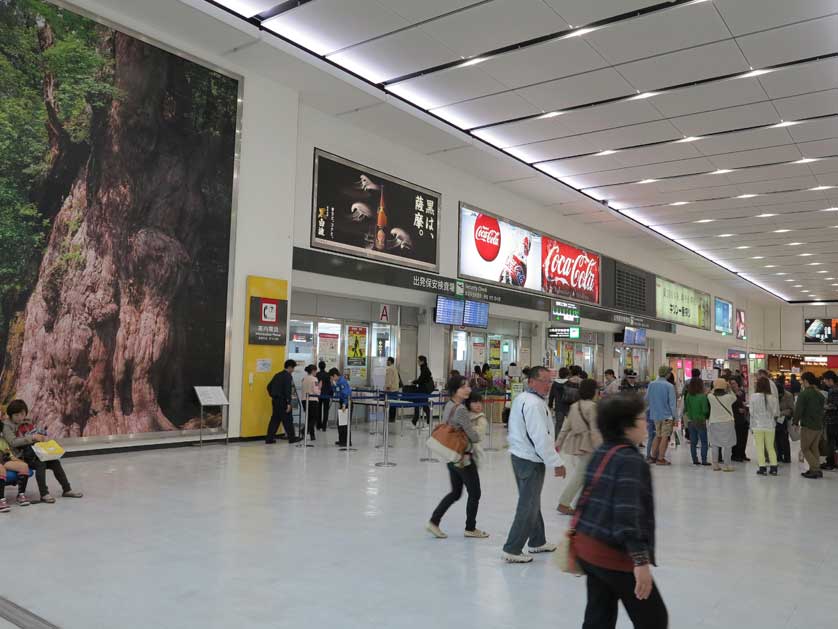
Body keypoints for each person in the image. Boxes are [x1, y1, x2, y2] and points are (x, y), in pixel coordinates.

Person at [573, 394, 668, 629]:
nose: (646, 422)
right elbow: (627, 515)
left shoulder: (602, 451)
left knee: (599, 616)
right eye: (641, 418)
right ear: (626, 425)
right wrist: (640, 562)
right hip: (613, 554)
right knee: (654, 620)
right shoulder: (630, 461)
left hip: (588, 547)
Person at [502, 366, 566, 563]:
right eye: (544, 381)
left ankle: (537, 541)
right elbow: (539, 437)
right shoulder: (533, 404)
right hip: (529, 459)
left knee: (531, 500)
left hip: (521, 456)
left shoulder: (525, 399)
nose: (548, 385)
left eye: (549, 381)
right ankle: (512, 549)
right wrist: (556, 461)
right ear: (531, 381)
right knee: (528, 505)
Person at [426, 377, 488, 540]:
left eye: (468, 386)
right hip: (463, 458)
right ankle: (470, 528)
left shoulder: (449, 405)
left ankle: (434, 521)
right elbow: (474, 437)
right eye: (464, 387)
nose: (468, 389)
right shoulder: (460, 409)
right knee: (475, 493)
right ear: (455, 391)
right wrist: (478, 426)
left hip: (450, 455)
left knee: (455, 492)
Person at [3, 400, 83, 503]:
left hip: (33, 453)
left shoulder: (26, 422)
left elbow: (33, 434)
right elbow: (13, 442)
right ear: (11, 415)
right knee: (40, 464)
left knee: (55, 462)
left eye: (22, 414)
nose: (20, 417)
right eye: (16, 415)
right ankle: (44, 494)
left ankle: (67, 489)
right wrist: (32, 437)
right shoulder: (7, 426)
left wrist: (40, 437)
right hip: (18, 457)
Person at [555, 378, 601, 515]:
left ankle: (586, 503)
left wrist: (558, 444)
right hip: (589, 445)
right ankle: (564, 502)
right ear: (593, 391)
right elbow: (595, 430)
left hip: (577, 444)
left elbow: (565, 428)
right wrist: (602, 448)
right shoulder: (593, 407)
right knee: (581, 475)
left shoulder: (575, 406)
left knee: (586, 475)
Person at [794, 371, 825, 479]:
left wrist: (795, 422)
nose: (801, 383)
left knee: (805, 448)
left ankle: (815, 468)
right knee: (814, 448)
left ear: (806, 381)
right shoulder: (819, 394)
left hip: (808, 425)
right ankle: (815, 470)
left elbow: (798, 410)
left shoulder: (804, 394)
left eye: (802, 381)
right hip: (819, 425)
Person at [645, 366, 676, 466]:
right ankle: (661, 458)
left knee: (657, 435)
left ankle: (653, 456)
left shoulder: (651, 384)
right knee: (665, 437)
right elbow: (672, 404)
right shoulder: (669, 386)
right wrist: (675, 416)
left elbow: (646, 399)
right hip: (667, 415)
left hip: (655, 415)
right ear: (667, 374)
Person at [750, 377, 780, 476]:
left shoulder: (753, 397)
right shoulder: (773, 398)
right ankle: (774, 467)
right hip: (770, 425)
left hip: (757, 425)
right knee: (770, 447)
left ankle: (762, 468)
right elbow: (776, 412)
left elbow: (751, 412)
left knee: (760, 447)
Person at [266, 360, 300, 444]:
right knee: (288, 420)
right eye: (293, 368)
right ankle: (292, 438)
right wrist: (288, 403)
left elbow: (268, 386)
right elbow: (287, 390)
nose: (293, 370)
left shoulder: (277, 375)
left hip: (275, 401)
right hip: (283, 401)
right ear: (289, 367)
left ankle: (269, 438)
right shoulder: (288, 376)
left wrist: (273, 395)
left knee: (275, 419)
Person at [707, 379, 736, 472]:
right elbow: (734, 397)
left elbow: (710, 392)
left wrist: (715, 387)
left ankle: (715, 464)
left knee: (715, 444)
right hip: (728, 422)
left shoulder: (711, 397)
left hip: (714, 422)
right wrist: (729, 388)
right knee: (728, 445)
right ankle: (727, 465)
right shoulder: (729, 397)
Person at [0, 432, 31, 509]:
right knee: (1, 469)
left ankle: (20, 495)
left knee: (24, 466)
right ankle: (1, 500)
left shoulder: (2, 440)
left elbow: (9, 455)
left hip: (4, 461)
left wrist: (19, 461)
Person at [683, 376, 710, 466]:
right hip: (700, 421)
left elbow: (686, 408)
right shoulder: (702, 397)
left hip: (690, 421)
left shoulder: (688, 396)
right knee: (704, 442)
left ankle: (695, 459)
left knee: (693, 442)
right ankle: (704, 460)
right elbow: (705, 410)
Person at [329, 368, 353, 447]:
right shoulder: (338, 382)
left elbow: (347, 393)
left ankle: (347, 441)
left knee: (345, 423)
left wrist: (344, 404)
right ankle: (342, 440)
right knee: (340, 423)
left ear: (335, 375)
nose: (331, 379)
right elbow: (337, 392)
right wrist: (333, 385)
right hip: (342, 402)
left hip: (346, 403)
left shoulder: (342, 381)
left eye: (332, 377)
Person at [729, 379, 750, 462]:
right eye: (731, 383)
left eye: (734, 383)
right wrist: (738, 409)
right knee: (737, 437)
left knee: (744, 437)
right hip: (735, 418)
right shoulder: (730, 394)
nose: (733, 385)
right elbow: (730, 405)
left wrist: (745, 407)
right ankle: (735, 455)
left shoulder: (742, 392)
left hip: (743, 417)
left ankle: (742, 454)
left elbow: (743, 402)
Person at [821, 370, 838, 470]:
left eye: (826, 381)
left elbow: (834, 406)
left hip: (833, 421)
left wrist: (824, 406)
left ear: (831, 380)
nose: (825, 383)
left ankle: (830, 463)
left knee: (831, 442)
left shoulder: (833, 390)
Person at [411, 355, 434, 427]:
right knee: (423, 405)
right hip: (423, 389)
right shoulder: (424, 368)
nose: (418, 362)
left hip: (423, 390)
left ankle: (417, 421)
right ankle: (416, 421)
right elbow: (422, 379)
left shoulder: (424, 368)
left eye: (418, 361)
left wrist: (414, 382)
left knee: (422, 405)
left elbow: (421, 380)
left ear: (422, 361)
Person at [301, 365, 320, 441]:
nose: (316, 372)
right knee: (314, 418)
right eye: (315, 371)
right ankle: (304, 430)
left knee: (309, 418)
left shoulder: (304, 379)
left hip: (304, 400)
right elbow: (316, 392)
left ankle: (312, 435)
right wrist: (320, 388)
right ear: (313, 371)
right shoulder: (314, 379)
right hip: (312, 400)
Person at [776, 385, 794, 463]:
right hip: (774, 419)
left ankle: (787, 457)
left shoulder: (788, 395)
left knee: (784, 439)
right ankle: (779, 456)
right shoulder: (772, 394)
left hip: (784, 419)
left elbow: (792, 409)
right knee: (776, 438)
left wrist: (781, 413)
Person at [548, 367, 570, 431]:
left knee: (558, 425)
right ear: (567, 374)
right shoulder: (569, 383)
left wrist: (550, 405)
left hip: (558, 407)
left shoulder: (554, 384)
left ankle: (557, 439)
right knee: (571, 425)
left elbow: (551, 395)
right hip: (568, 406)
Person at [316, 361, 332, 432]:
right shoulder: (328, 375)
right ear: (325, 366)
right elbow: (330, 386)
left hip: (318, 395)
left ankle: (318, 426)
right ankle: (324, 427)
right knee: (326, 411)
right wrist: (331, 394)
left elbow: (316, 385)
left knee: (318, 411)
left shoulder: (317, 374)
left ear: (319, 367)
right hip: (326, 395)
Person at [384, 357, 400, 423]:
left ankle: (390, 419)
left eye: (387, 361)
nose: (386, 362)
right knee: (394, 405)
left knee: (390, 404)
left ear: (390, 361)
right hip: (395, 389)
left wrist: (387, 387)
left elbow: (389, 380)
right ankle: (392, 419)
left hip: (391, 390)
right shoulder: (395, 368)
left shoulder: (389, 369)